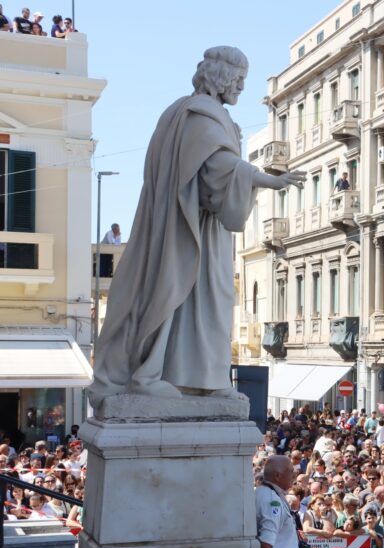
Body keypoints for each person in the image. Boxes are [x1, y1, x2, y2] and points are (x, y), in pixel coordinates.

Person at [89, 47, 305, 406]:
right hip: (194, 232)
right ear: (221, 78)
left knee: (201, 303)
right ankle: (161, 376)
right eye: (238, 80)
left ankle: (202, 379)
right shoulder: (202, 114)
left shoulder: (179, 113)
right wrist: (269, 181)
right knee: (199, 300)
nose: (240, 88)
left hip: (189, 226)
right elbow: (216, 169)